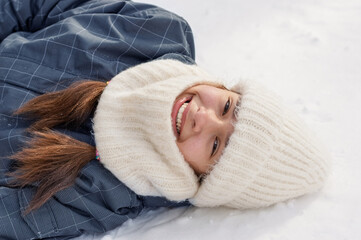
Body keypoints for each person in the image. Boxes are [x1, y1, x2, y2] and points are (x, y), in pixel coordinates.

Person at [0, 0, 330, 239]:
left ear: (200, 178)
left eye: (215, 145)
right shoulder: (156, 32)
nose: (204, 116)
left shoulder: (105, 192)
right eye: (228, 107)